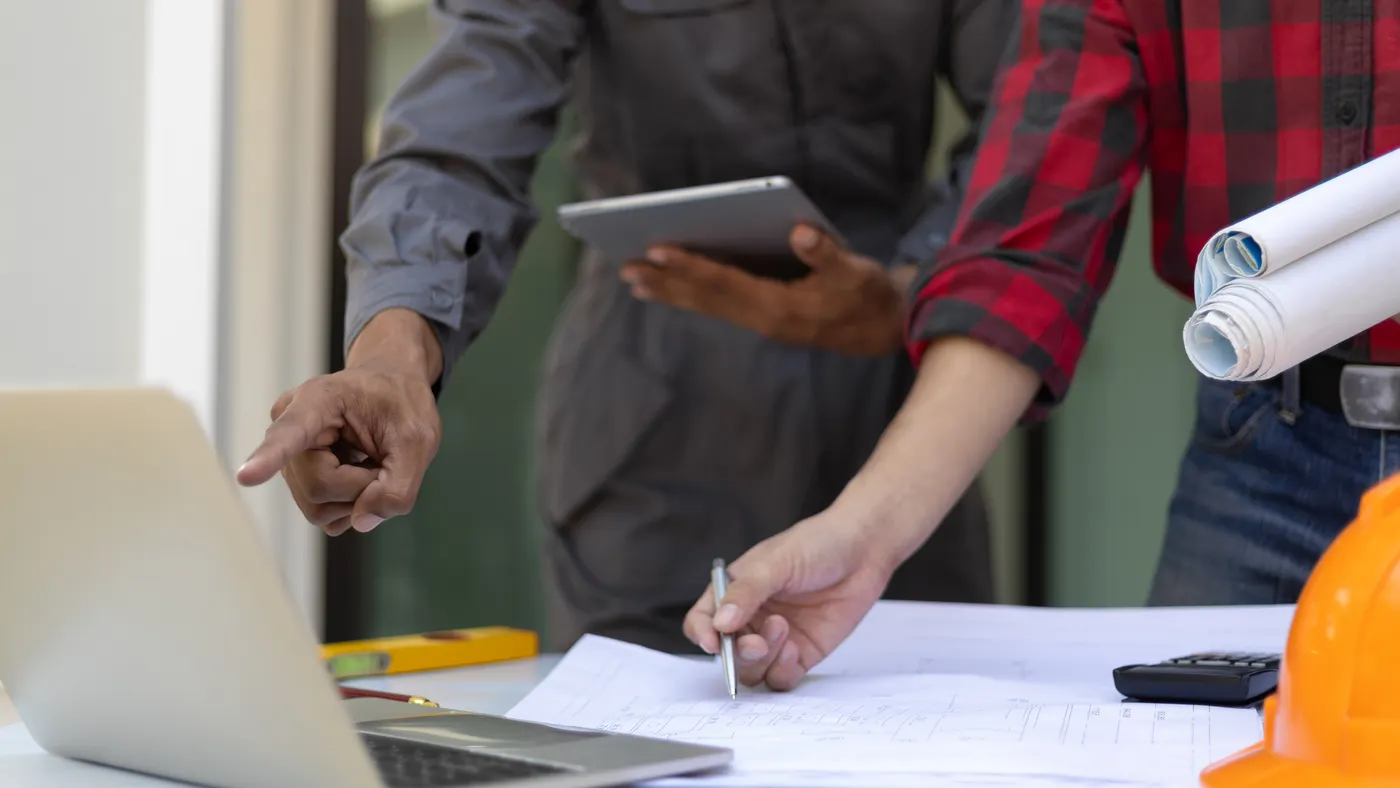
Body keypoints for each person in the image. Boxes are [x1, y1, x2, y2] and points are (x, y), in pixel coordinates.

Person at [235, 0, 1019, 653]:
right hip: (652, 408)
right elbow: (457, 136)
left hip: (903, 401)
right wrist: (391, 355)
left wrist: (911, 287)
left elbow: (1027, 123)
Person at [682, 0, 1400, 690]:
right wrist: (861, 536)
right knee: (1186, 753)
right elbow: (1025, 246)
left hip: (1265, 437)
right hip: (1269, 440)